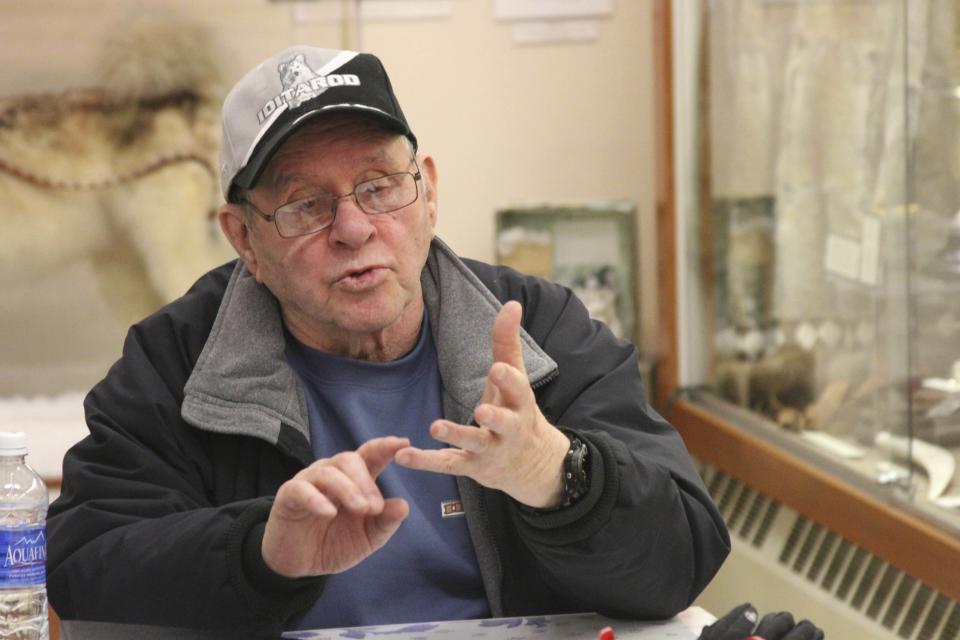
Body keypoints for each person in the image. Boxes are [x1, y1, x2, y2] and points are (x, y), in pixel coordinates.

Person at [47, 46, 730, 634]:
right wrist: (262, 552)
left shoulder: (535, 327)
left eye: (378, 187)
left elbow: (680, 562)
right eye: (305, 205)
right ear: (244, 238)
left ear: (427, 193)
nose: (353, 228)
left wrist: (558, 476)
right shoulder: (177, 360)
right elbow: (85, 571)